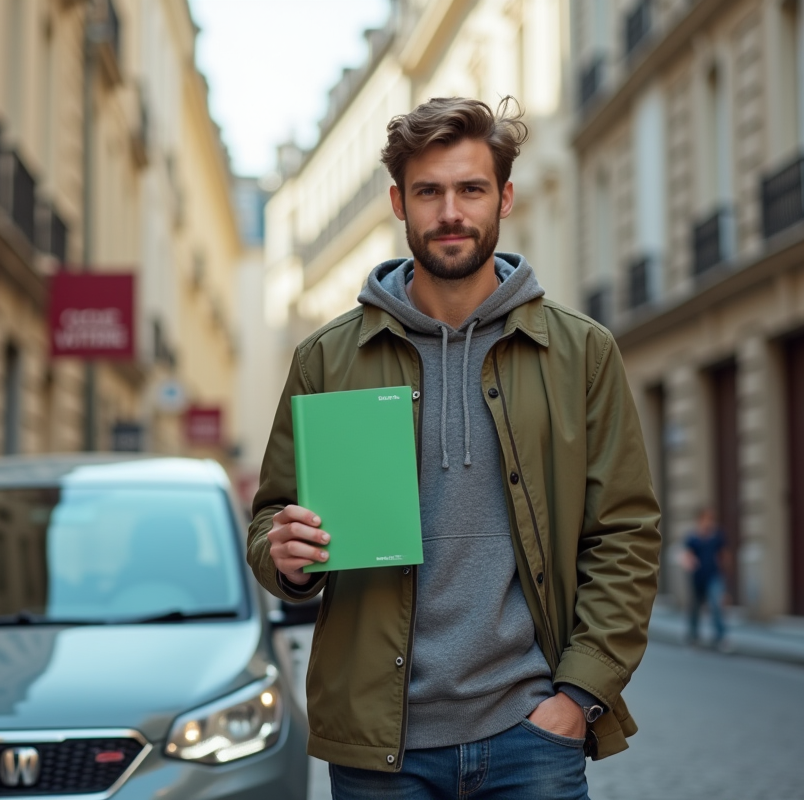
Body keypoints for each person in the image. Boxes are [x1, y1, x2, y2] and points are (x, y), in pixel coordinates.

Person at [247, 97, 661, 799]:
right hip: (383, 749)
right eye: (428, 192)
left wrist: (576, 698)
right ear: (397, 203)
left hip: (531, 738)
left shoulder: (579, 352)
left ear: (503, 197)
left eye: (470, 189)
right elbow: (272, 520)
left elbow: (626, 535)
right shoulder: (327, 358)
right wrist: (285, 559)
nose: (450, 212)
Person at [681, 507, 728, 649]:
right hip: (697, 578)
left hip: (713, 576)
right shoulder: (693, 537)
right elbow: (686, 556)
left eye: (711, 519)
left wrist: (725, 573)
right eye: (706, 518)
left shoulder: (717, 536)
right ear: (700, 519)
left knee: (716, 604)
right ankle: (693, 636)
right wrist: (689, 563)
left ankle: (720, 637)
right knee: (695, 608)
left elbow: (724, 555)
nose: (709, 522)